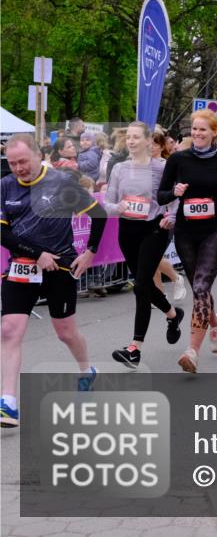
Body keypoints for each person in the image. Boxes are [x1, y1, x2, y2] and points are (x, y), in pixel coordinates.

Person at [1, 134, 107, 427]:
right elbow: (4, 234)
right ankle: (8, 402)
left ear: (38, 155)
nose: (18, 168)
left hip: (58, 267)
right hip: (21, 267)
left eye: (23, 161)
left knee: (66, 333)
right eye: (12, 164)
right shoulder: (5, 186)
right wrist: (36, 254)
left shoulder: (61, 182)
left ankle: (87, 371)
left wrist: (90, 253)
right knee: (10, 330)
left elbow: (97, 214)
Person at [157, 110, 217, 374]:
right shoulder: (179, 159)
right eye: (194, 129)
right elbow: (161, 195)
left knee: (202, 287)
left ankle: (192, 351)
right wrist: (174, 192)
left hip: (215, 229)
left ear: (214, 132)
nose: (198, 134)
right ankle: (215, 322)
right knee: (198, 288)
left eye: (203, 129)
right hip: (186, 231)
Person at [104, 122, 185, 369]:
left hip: (154, 229)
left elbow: (174, 197)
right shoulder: (119, 168)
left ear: (149, 141)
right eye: (128, 137)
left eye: (136, 137)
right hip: (127, 231)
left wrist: (170, 217)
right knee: (146, 284)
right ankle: (173, 315)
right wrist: (118, 208)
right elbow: (108, 203)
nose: (131, 141)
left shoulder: (162, 167)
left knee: (140, 286)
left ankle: (134, 349)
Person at [150, 132, 187, 302]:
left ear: (161, 146)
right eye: (147, 143)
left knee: (153, 255)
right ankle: (160, 294)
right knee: (147, 259)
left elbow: (175, 193)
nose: (149, 147)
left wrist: (172, 215)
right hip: (142, 216)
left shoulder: (166, 165)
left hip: (162, 215)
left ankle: (176, 278)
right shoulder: (137, 166)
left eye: (154, 144)